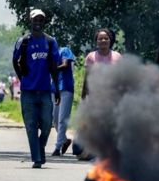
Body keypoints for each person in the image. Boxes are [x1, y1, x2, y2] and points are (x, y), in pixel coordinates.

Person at [12, 9, 60, 168]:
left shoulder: (51, 41)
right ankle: (37, 158)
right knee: (31, 126)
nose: (38, 23)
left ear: (44, 23)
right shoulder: (23, 41)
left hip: (45, 91)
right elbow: (15, 60)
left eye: (41, 20)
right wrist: (21, 77)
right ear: (30, 21)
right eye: (35, 20)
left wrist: (57, 88)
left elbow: (54, 65)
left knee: (47, 124)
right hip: (28, 92)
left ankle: (40, 148)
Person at [75, 28, 122, 160]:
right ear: (96, 41)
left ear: (110, 40)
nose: (103, 40)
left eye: (106, 38)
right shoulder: (91, 57)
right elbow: (87, 78)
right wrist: (84, 96)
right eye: (100, 38)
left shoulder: (117, 57)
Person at [51, 45, 75, 156]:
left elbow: (65, 65)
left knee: (62, 119)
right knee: (54, 119)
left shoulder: (64, 50)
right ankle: (65, 140)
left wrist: (52, 69)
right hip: (54, 89)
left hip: (66, 87)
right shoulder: (49, 54)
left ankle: (57, 147)